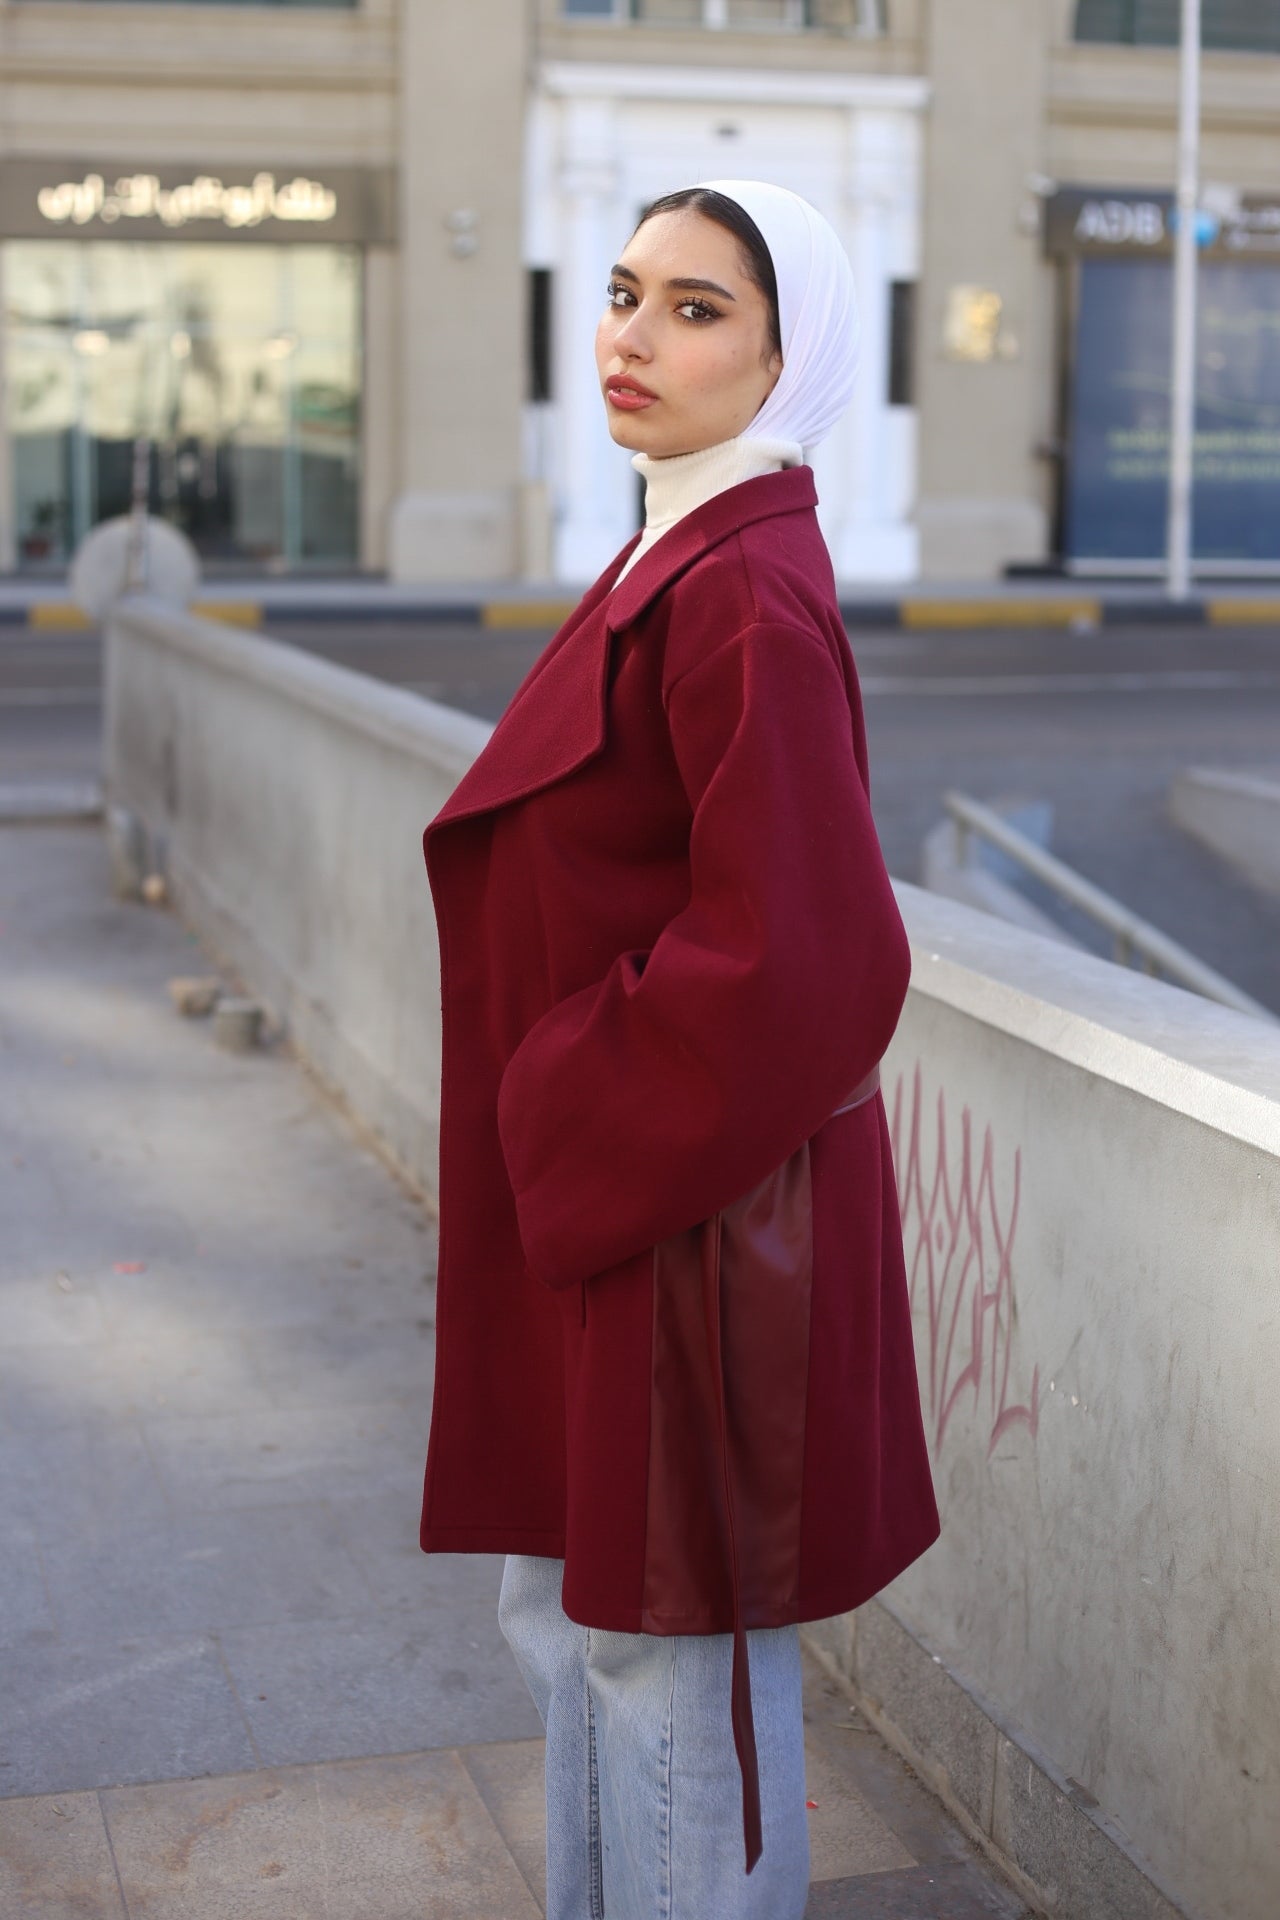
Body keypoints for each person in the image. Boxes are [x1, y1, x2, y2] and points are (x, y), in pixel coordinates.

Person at [418, 180, 940, 1920]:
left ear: (793, 359)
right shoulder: (678, 545)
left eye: (700, 310)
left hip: (679, 1226)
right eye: (628, 292)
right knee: (567, 1625)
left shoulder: (740, 592)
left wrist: (560, 1103)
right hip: (620, 1212)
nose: (633, 337)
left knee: (659, 1650)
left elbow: (813, 952)